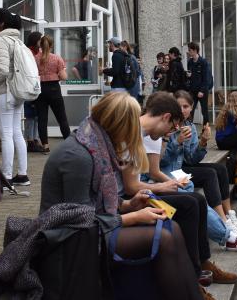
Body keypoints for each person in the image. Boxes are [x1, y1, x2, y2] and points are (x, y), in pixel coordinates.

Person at [39, 92, 203, 300]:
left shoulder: (96, 144)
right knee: (161, 237)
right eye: (132, 123)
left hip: (88, 231)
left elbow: (97, 203)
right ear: (119, 123)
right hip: (66, 242)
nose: (136, 129)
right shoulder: (77, 156)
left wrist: (129, 205)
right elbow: (80, 224)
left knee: (172, 226)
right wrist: (134, 217)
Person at [121, 91, 237, 288]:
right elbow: (132, 186)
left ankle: (202, 264)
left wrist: (200, 142)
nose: (172, 130)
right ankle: (195, 273)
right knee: (190, 203)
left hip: (139, 192)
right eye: (172, 125)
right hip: (132, 198)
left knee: (197, 200)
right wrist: (163, 185)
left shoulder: (143, 133)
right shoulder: (135, 135)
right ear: (166, 117)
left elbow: (181, 161)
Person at [161, 91, 237, 251]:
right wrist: (177, 142)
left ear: (192, 108)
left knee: (219, 169)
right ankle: (224, 223)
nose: (182, 109)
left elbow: (192, 158)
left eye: (186, 106)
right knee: (208, 176)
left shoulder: (190, 127)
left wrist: (202, 142)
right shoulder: (165, 127)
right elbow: (161, 162)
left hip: (181, 169)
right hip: (173, 172)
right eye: (179, 106)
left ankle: (229, 215)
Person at [0, 8, 29, 186]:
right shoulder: (16, 39)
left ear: (1, 24)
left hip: (4, 91)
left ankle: (7, 176)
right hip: (17, 91)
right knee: (17, 132)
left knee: (6, 134)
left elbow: (1, 69)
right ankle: (22, 175)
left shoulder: (2, 39)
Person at [35, 34, 71, 154]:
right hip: (54, 89)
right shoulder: (57, 58)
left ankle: (45, 146)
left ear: (40, 44)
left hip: (40, 90)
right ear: (51, 45)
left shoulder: (35, 58)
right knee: (62, 118)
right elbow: (64, 77)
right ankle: (68, 144)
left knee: (42, 118)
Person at [24, 32, 44, 153]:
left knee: (36, 115)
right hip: (29, 86)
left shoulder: (37, 53)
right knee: (30, 116)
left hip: (36, 86)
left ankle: (35, 139)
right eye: (40, 41)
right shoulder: (28, 53)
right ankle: (30, 141)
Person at [186, 42, 212, 126]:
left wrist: (202, 91)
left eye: (189, 50)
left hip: (202, 91)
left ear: (195, 50)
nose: (188, 52)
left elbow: (206, 78)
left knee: (204, 111)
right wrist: (189, 76)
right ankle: (189, 130)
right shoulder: (190, 62)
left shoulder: (203, 62)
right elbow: (190, 76)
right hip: (193, 90)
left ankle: (205, 130)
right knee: (190, 110)